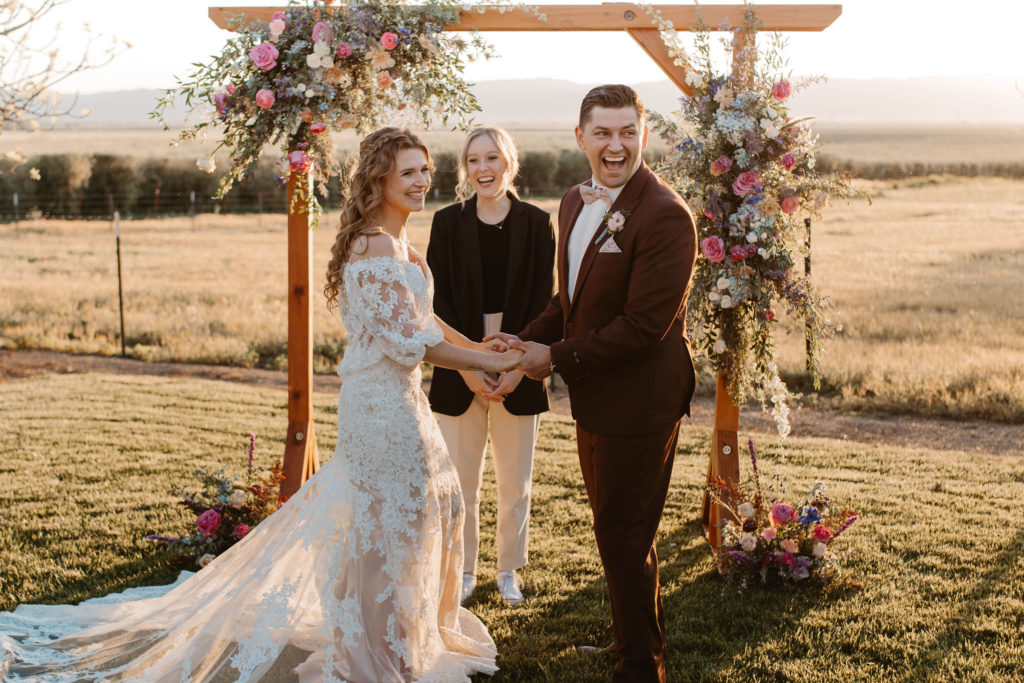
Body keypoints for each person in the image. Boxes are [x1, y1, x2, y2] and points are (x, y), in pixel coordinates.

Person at [0, 128, 522, 682]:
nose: (422, 182)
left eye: (425, 170)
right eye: (409, 173)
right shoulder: (372, 246)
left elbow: (423, 321)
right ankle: (375, 654)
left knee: (415, 518)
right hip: (380, 410)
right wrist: (489, 365)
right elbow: (405, 342)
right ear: (380, 181)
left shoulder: (403, 247)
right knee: (384, 530)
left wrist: (476, 350)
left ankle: (401, 638)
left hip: (403, 403)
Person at [492, 85, 697, 682]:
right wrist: (523, 336)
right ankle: (630, 640)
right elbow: (574, 300)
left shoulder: (665, 215)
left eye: (627, 131)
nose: (616, 145)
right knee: (617, 532)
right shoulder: (574, 203)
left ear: (644, 135)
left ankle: (641, 666)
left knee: (625, 534)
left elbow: (642, 327)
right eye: (602, 132)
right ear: (579, 137)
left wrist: (548, 358)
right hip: (597, 400)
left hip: (641, 401)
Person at [426, 127, 556, 607]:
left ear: (509, 163)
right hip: (458, 359)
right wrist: (467, 367)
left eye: (492, 159)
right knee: (459, 482)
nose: (483, 169)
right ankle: (462, 569)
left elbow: (546, 304)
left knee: (514, 479)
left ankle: (508, 570)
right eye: (473, 160)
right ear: (465, 168)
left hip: (519, 358)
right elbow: (434, 305)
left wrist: (518, 367)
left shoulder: (538, 223)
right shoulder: (445, 223)